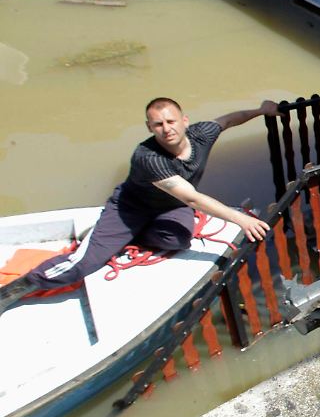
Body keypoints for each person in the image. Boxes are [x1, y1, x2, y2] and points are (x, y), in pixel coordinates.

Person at [0, 97, 278, 312]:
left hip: (170, 205)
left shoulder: (202, 134)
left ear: (184, 121)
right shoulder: (149, 157)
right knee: (84, 264)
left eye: (171, 121)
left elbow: (229, 120)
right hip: (130, 209)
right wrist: (241, 219)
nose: (166, 129)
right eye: (158, 125)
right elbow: (192, 198)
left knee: (178, 240)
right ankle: (15, 290)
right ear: (150, 128)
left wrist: (260, 109)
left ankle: (125, 238)